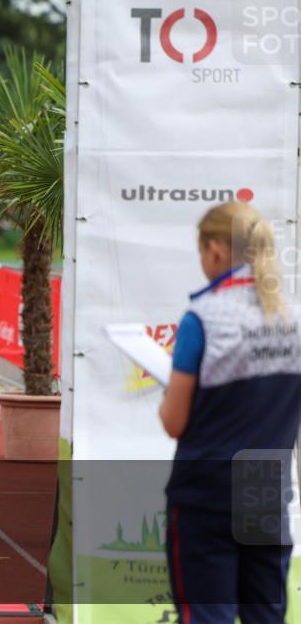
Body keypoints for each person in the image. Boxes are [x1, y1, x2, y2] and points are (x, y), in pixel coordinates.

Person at [159, 201, 301, 623]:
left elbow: (173, 421)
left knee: (208, 615)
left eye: (201, 251)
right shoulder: (292, 318)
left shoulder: (202, 318)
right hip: (265, 489)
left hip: (207, 492)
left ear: (216, 250)